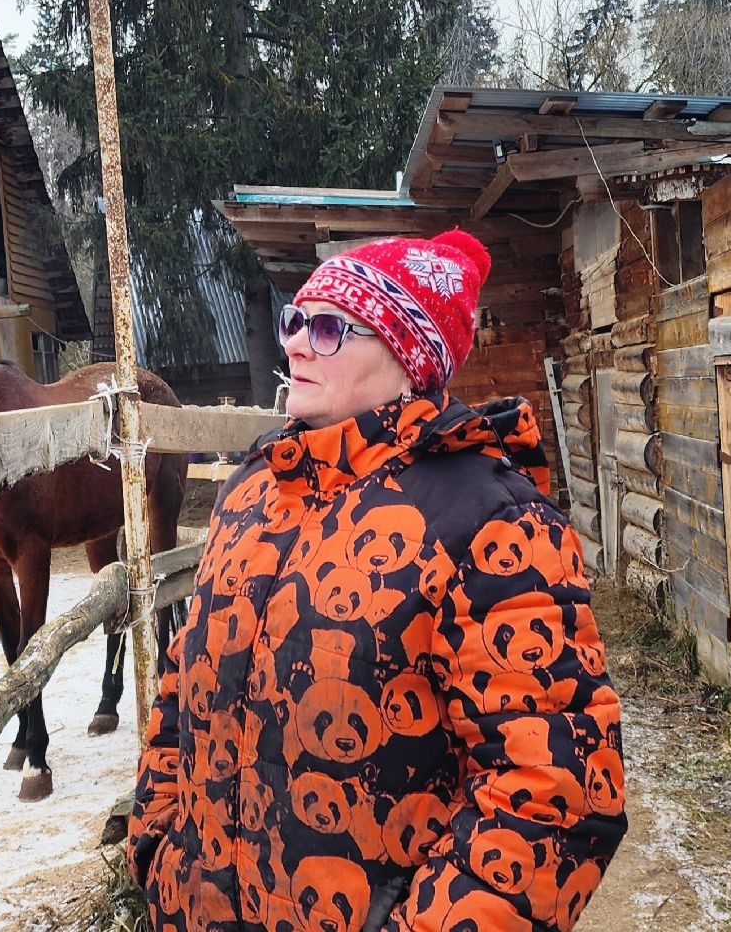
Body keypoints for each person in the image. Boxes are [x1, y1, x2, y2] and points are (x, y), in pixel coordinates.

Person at [128, 229, 627, 931]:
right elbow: (185, 683)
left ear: (407, 356)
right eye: (294, 320)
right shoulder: (251, 492)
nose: (296, 343)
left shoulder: (492, 524)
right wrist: (158, 851)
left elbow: (556, 793)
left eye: (330, 327)